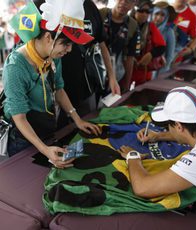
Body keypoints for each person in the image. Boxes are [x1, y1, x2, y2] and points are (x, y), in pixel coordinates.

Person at [3, 0, 101, 168]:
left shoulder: (53, 55)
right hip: (23, 139)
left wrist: (77, 119)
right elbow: (19, 117)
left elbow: (59, 89)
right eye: (66, 44)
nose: (69, 50)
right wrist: (44, 149)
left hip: (46, 130)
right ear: (49, 37)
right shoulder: (16, 67)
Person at [118, 86, 196, 229]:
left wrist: (132, 156)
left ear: (178, 126)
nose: (166, 128)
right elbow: (189, 135)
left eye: (167, 125)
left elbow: (142, 188)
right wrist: (158, 135)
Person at [58, 0, 120, 128]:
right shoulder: (46, 4)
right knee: (58, 134)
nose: (68, 48)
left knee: (87, 128)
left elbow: (102, 44)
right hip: (55, 89)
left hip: (86, 87)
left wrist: (112, 77)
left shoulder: (90, 7)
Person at [100, 0, 139, 92]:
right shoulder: (100, 14)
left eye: (129, 1)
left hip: (115, 74)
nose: (123, 3)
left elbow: (130, 57)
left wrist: (126, 86)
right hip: (92, 69)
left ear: (134, 4)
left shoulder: (132, 25)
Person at [130, 0, 166, 85]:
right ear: (134, 10)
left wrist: (150, 54)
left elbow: (162, 47)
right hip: (125, 69)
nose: (144, 14)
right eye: (141, 11)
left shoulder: (150, 27)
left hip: (142, 71)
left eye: (147, 12)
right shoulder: (126, 24)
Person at [152, 1, 177, 74]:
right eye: (156, 14)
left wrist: (162, 73)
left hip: (158, 71)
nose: (159, 17)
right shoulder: (145, 28)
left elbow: (169, 56)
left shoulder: (169, 32)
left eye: (162, 15)